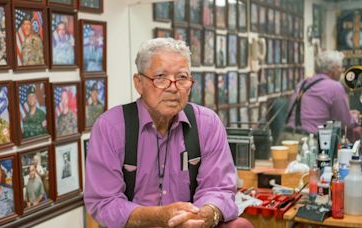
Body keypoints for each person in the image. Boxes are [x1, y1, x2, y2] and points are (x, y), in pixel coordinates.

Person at [84, 38, 252, 227]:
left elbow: (219, 188)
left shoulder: (207, 124)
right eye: (161, 78)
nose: (173, 88)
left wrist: (206, 214)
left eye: (182, 77)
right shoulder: (111, 127)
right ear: (139, 83)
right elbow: (105, 202)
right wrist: (159, 216)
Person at [282, 51, 362, 142]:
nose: (342, 71)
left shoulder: (302, 84)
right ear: (333, 69)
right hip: (308, 141)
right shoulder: (335, 87)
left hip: (286, 137)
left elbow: (313, 112)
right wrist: (355, 118)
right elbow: (345, 122)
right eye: (340, 67)